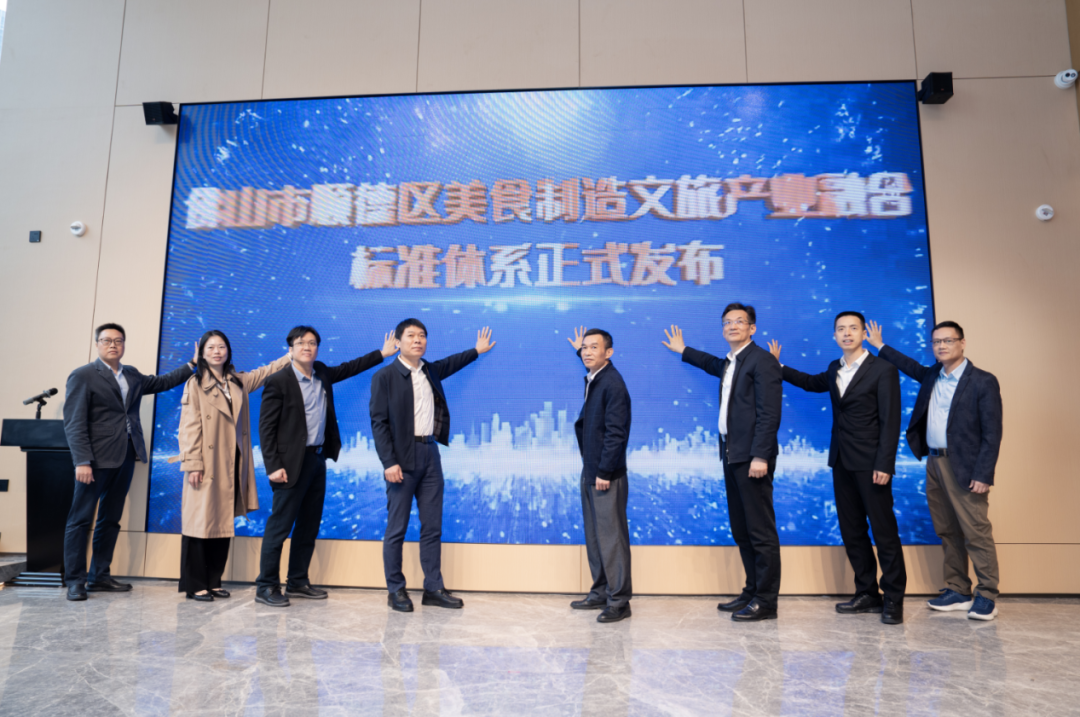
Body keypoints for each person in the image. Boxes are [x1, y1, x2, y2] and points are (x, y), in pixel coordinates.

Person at [769, 311, 906, 625]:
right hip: (841, 461)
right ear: (834, 335)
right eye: (841, 329)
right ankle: (867, 593)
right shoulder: (835, 368)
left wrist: (885, 463)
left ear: (863, 333)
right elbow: (810, 383)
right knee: (852, 531)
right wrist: (779, 367)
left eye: (853, 328)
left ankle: (894, 598)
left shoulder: (883, 369)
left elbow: (891, 420)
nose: (847, 333)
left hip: (872, 464)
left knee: (884, 533)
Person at [868, 319, 1003, 620]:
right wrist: (879, 346)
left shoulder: (982, 381)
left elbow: (993, 433)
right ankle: (958, 589)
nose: (942, 346)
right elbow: (910, 366)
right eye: (937, 342)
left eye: (948, 340)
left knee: (975, 532)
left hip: (965, 467)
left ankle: (987, 595)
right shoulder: (933, 375)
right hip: (934, 462)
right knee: (947, 530)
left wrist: (983, 474)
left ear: (962, 343)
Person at [254, 326, 397, 607]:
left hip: (317, 460)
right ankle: (266, 586)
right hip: (289, 464)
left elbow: (350, 368)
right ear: (290, 349)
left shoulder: (321, 373)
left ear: (317, 348)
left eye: (312, 343)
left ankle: (297, 581)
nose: (307, 347)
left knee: (308, 525)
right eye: (301, 343)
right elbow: (266, 428)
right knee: (279, 527)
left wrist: (381, 354)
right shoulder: (278, 381)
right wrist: (272, 466)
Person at [663, 304, 782, 621]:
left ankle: (766, 601)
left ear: (752, 328)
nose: (732, 326)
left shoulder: (762, 361)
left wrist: (760, 455)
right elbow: (709, 363)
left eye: (739, 321)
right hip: (732, 453)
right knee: (742, 529)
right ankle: (752, 590)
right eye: (727, 322)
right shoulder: (731, 362)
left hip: (752, 457)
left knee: (761, 531)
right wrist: (683, 350)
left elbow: (770, 413)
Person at [62, 323, 196, 601]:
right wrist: (82, 461)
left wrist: (192, 365)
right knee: (80, 520)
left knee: (110, 519)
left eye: (118, 340)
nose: (113, 345)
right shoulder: (83, 375)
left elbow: (161, 383)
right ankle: (75, 581)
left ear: (124, 345)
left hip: (126, 455)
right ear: (97, 344)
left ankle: (99, 576)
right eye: (107, 340)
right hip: (95, 460)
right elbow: (74, 423)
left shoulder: (131, 374)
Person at [370, 319, 496, 612]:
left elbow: (452, 363)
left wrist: (476, 351)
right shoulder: (385, 376)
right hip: (401, 458)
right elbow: (379, 423)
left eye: (422, 336)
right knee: (397, 529)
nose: (418, 340)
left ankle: (433, 588)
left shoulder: (430, 371)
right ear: (398, 342)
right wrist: (389, 462)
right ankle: (396, 590)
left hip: (430, 453)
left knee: (432, 526)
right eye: (411, 335)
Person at [176, 331, 290, 601]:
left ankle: (213, 581)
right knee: (199, 524)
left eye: (221, 346)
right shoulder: (195, 383)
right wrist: (193, 463)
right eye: (211, 347)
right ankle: (195, 584)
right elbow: (189, 426)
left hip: (231, 463)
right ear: (202, 353)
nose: (217, 351)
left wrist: (290, 355)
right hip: (206, 463)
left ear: (228, 351)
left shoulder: (237, 381)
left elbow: (266, 372)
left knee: (222, 523)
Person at [567, 327, 633, 623]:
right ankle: (601, 592)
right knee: (595, 536)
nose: (587, 352)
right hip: (591, 468)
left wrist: (605, 471)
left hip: (606, 473)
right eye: (584, 348)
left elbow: (616, 433)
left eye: (594, 347)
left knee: (611, 537)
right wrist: (579, 350)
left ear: (609, 352)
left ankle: (619, 601)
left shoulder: (612, 383)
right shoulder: (596, 378)